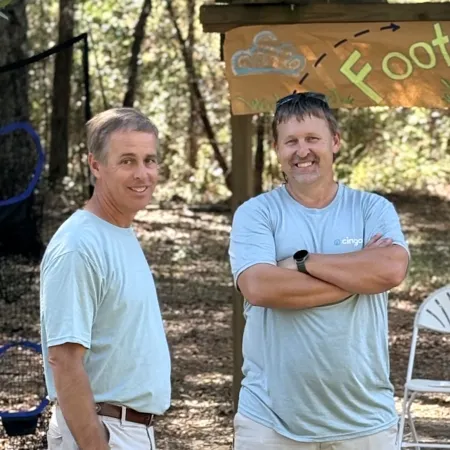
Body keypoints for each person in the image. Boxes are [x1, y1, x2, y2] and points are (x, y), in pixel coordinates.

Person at [228, 92, 410, 450]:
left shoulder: (372, 208)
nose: (303, 151)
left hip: (365, 421)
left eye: (313, 139)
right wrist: (357, 277)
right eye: (291, 141)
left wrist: (302, 262)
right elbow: (260, 287)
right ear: (277, 149)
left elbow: (390, 269)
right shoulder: (256, 213)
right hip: (271, 422)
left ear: (335, 142)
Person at [40, 108, 171, 450]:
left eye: (149, 160)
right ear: (95, 165)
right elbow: (64, 360)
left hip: (126, 430)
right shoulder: (79, 245)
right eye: (127, 161)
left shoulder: (118, 231)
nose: (143, 174)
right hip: (103, 432)